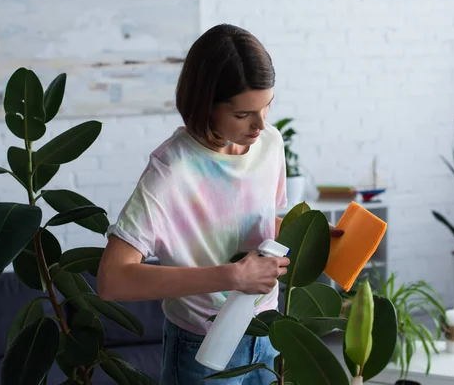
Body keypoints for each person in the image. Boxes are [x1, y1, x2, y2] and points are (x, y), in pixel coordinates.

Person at [97, 23, 343, 384]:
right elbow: (112, 280)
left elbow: (259, 224)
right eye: (242, 114)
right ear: (205, 106)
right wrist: (232, 276)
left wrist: (315, 238)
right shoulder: (170, 171)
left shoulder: (271, 144)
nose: (260, 125)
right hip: (202, 345)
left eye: (266, 107)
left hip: (268, 332)